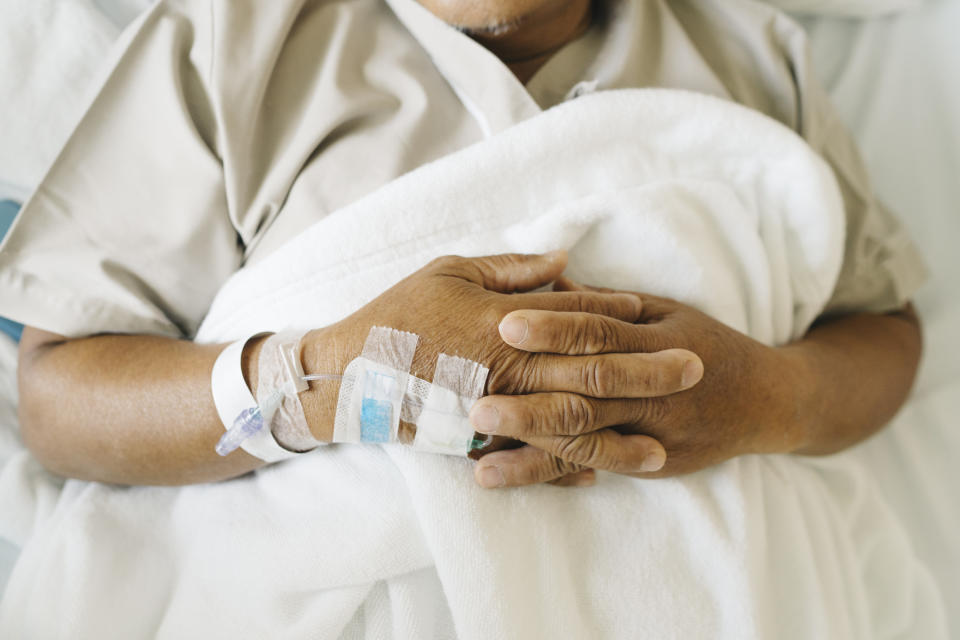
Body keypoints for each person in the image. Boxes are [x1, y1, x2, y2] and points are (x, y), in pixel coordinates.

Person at [0, 0, 926, 488]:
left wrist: (766, 398)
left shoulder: (753, 60)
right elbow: (58, 396)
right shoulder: (235, 38)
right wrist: (323, 379)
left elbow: (883, 333)